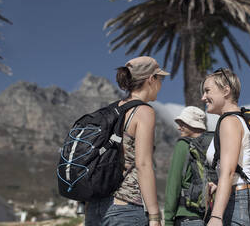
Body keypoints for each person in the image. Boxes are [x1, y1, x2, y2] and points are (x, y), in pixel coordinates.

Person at [85, 56, 169, 226]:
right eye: (160, 79)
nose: (161, 85)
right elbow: (143, 164)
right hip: (126, 209)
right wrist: (154, 216)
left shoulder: (111, 110)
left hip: (95, 208)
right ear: (151, 79)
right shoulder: (143, 111)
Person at [201, 68, 250, 226]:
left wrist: (216, 217)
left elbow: (229, 171)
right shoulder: (243, 120)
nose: (203, 97)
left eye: (207, 91)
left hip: (242, 203)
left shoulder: (229, 122)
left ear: (226, 91)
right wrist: (220, 187)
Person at [164, 106, 213, 226]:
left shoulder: (183, 144)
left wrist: (168, 220)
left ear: (193, 124)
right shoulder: (212, 146)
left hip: (186, 215)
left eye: (182, 123)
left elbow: (173, 183)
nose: (178, 127)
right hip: (211, 217)